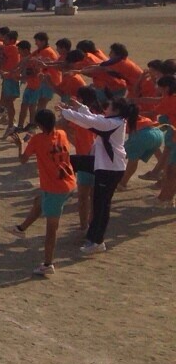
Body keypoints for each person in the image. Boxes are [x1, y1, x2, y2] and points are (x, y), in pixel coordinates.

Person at [58, 94, 132, 255]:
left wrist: (67, 113)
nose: (106, 109)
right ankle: (95, 240)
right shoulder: (114, 121)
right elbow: (94, 118)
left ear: (117, 110)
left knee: (101, 206)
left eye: (109, 107)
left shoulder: (113, 123)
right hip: (104, 166)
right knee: (72, 161)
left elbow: (92, 122)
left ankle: (96, 241)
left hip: (109, 170)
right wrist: (80, 107)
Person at [9, 109, 77, 275]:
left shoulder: (37, 140)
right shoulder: (61, 134)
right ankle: (21, 229)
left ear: (39, 125)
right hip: (68, 182)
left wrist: (20, 146)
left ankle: (48, 264)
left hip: (56, 188)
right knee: (39, 201)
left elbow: (23, 160)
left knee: (51, 230)